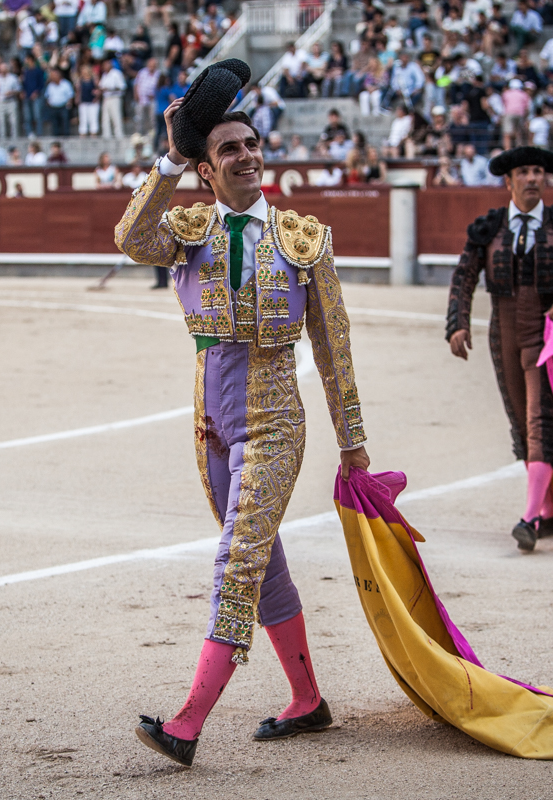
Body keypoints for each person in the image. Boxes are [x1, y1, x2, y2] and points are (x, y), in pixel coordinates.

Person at [114, 59, 369, 767]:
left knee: (236, 561)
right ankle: (307, 700)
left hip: (276, 421)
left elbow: (333, 347)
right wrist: (167, 156)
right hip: (210, 427)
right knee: (264, 562)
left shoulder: (301, 239)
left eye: (253, 144)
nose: (249, 155)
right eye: (230, 148)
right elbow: (129, 239)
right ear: (205, 168)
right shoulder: (187, 230)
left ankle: (188, 723)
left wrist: (353, 441)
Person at [446, 147, 553, 550]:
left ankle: (530, 518)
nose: (532, 178)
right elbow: (464, 277)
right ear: (509, 181)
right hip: (502, 336)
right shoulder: (489, 227)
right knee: (520, 421)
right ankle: (551, 512)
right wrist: (457, 324)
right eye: (523, 172)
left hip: (548, 337)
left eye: (538, 171)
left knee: (540, 420)